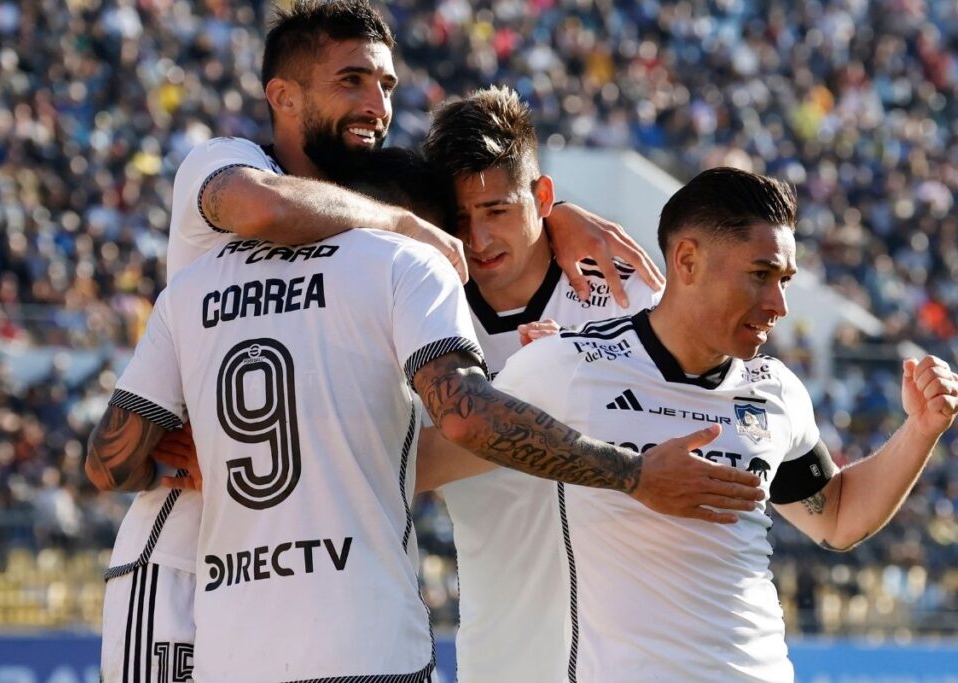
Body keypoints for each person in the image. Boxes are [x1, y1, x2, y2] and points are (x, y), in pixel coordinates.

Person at [96, 1, 666, 678]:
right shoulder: (229, 164)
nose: (377, 103)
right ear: (280, 95)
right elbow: (265, 206)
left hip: (308, 606)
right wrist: (411, 232)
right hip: (183, 562)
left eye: (387, 85)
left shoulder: (367, 243)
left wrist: (551, 218)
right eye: (352, 81)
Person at [83, 152, 750, 682]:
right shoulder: (401, 263)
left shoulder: (196, 285)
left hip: (228, 628)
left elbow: (107, 463)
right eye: (453, 230)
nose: (469, 245)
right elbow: (461, 422)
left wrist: (196, 452)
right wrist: (629, 469)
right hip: (362, 632)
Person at [485, 167, 958, 682]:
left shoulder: (775, 388)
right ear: (687, 260)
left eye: (784, 281)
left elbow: (837, 517)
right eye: (760, 275)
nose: (778, 305)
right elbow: (449, 445)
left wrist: (920, 430)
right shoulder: (567, 364)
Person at [414, 85, 735, 683]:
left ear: (542, 197)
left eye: (498, 212)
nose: (480, 241)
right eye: (461, 219)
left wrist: (581, 380)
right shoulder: (427, 317)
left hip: (640, 657)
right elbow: (410, 466)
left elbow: (699, 428)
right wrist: (530, 390)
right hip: (504, 655)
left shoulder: (628, 293)